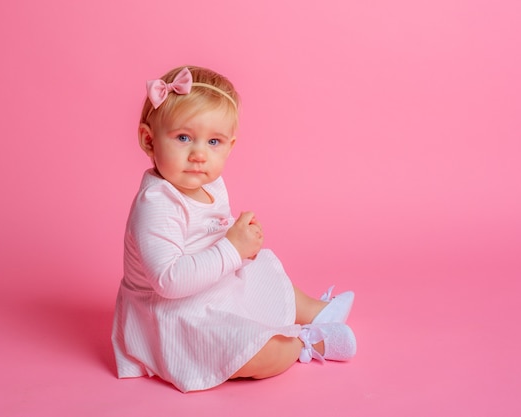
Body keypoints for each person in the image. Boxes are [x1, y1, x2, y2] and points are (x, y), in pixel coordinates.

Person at [111, 66, 357, 393]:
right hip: (174, 312)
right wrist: (231, 248)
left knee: (263, 272)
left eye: (214, 142)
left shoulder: (210, 183)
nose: (199, 154)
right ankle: (302, 344)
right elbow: (169, 281)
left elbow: (215, 232)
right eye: (183, 138)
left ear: (230, 146)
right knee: (250, 352)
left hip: (212, 284)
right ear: (148, 140)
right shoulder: (156, 204)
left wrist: (243, 241)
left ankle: (314, 310)